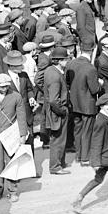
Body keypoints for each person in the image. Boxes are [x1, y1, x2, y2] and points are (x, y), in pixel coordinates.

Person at [0, 73, 28, 203]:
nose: (4, 88)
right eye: (1, 86)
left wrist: (22, 135)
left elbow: (21, 116)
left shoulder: (16, 96)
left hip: (11, 135)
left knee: (12, 163)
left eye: (6, 86)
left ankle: (13, 191)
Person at [66, 46, 100, 166]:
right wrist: (100, 84)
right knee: (87, 131)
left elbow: (68, 82)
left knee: (77, 130)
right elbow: (94, 89)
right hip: (88, 105)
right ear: (91, 52)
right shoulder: (91, 68)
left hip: (75, 104)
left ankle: (78, 156)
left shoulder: (71, 64)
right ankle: (85, 158)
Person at [43, 47, 70, 175]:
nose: (68, 61)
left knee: (58, 138)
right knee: (58, 139)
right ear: (59, 61)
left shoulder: (50, 70)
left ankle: (60, 162)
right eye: (66, 59)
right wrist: (62, 111)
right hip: (57, 111)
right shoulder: (55, 75)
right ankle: (55, 166)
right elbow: (54, 100)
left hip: (53, 110)